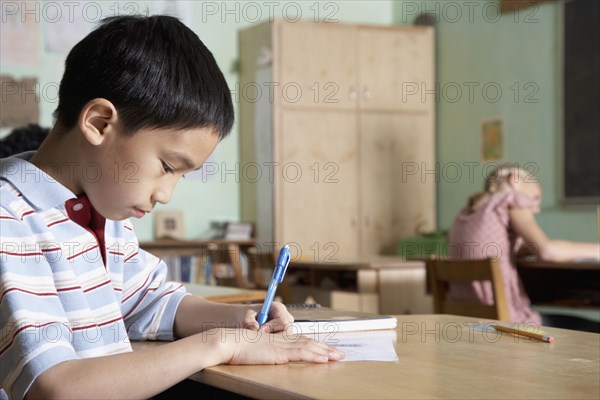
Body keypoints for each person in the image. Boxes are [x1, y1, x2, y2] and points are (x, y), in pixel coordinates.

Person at [0, 15, 344, 400]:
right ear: (98, 122)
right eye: (167, 167)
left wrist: (240, 318)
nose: (166, 195)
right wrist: (220, 344)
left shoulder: (103, 211)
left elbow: (151, 302)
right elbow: (56, 386)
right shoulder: (9, 219)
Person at [446, 163, 599, 330]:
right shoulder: (509, 199)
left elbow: (497, 249)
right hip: (510, 326)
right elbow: (547, 251)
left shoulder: (466, 213)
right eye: (535, 198)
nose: (537, 209)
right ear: (515, 180)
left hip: (468, 325)